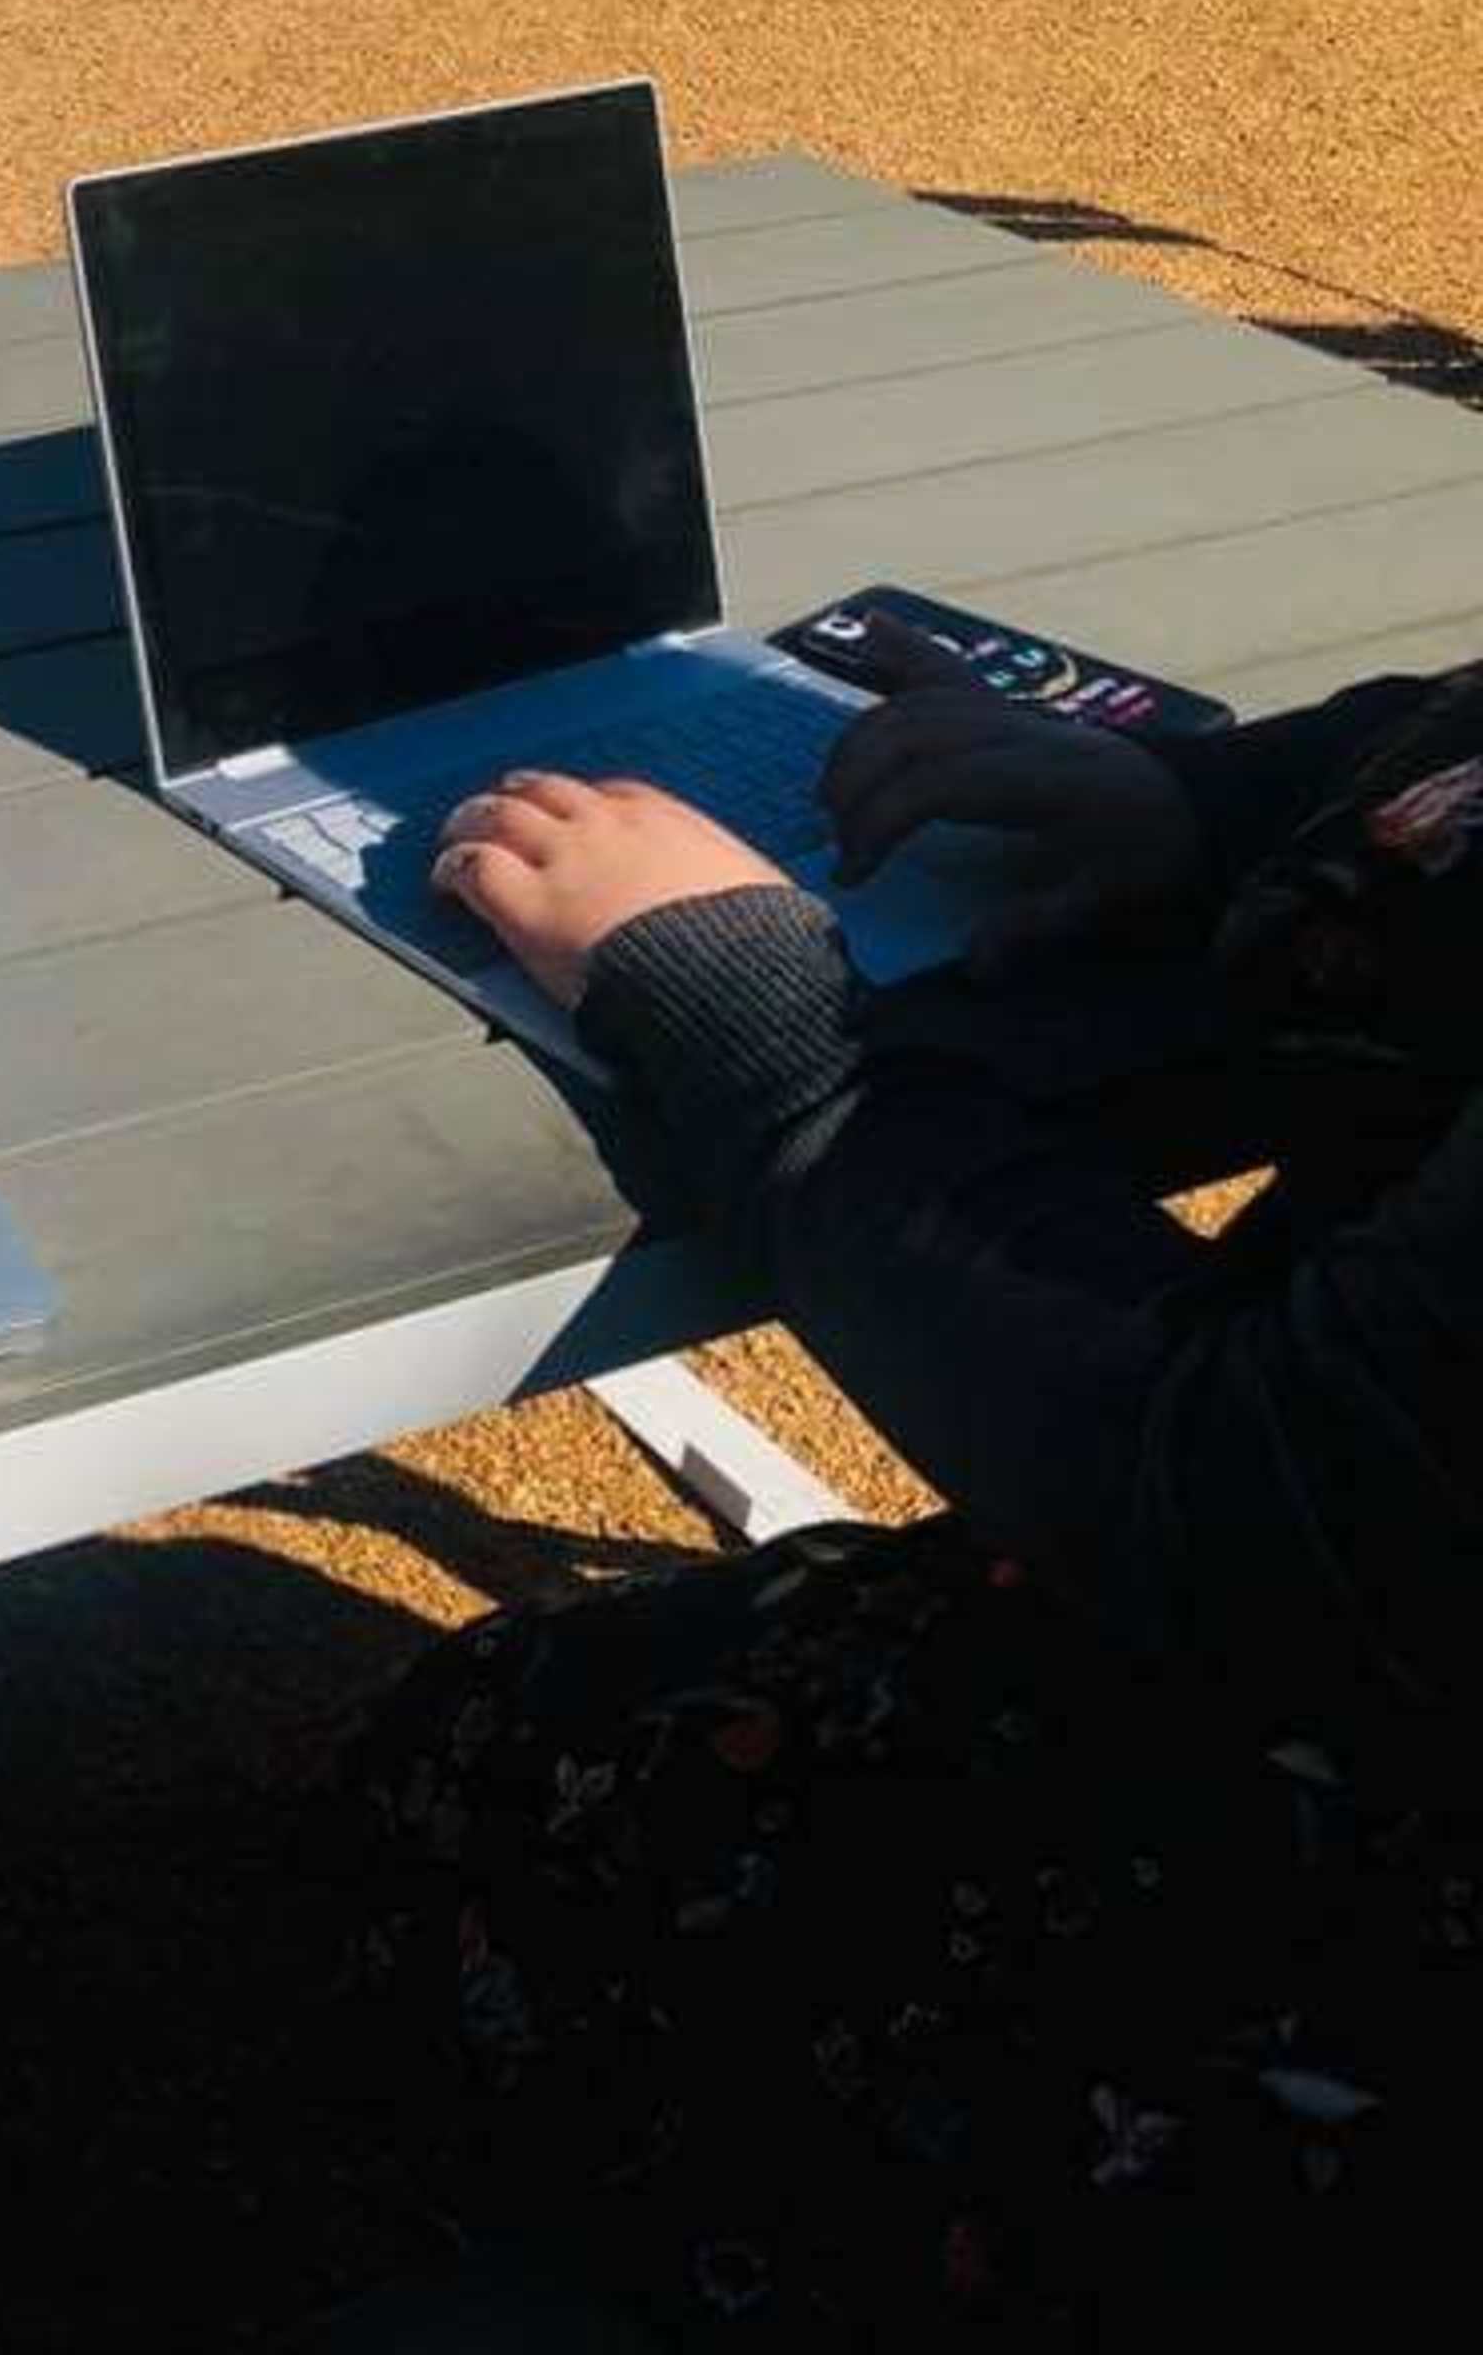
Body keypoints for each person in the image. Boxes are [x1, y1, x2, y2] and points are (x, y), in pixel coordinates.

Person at [322, 659, 1483, 2344]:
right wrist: (1218, 811)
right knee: (510, 1740)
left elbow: (1250, 1510)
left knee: (488, 1813)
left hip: (1342, 1942)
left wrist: (760, 1022)